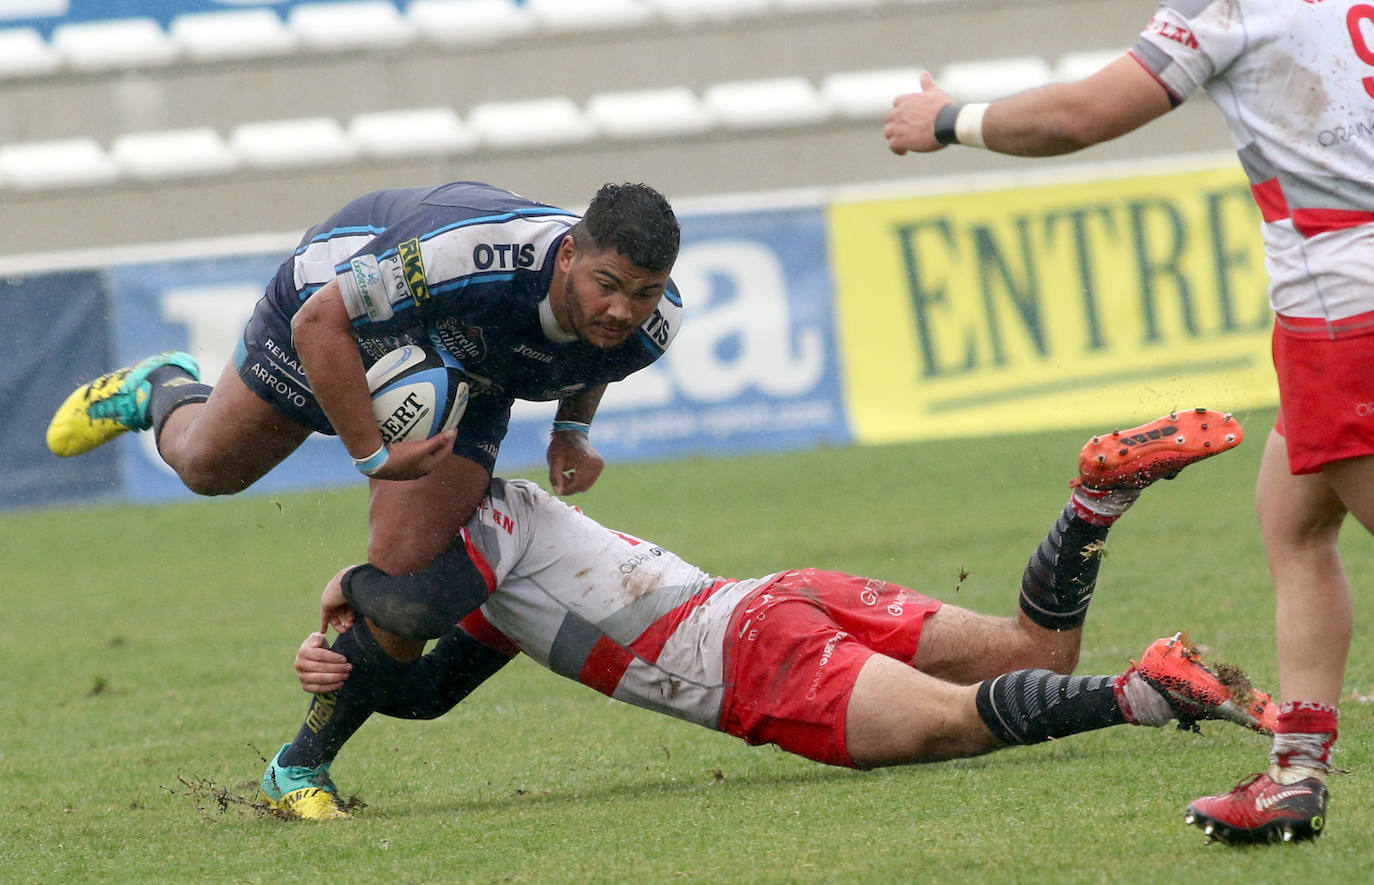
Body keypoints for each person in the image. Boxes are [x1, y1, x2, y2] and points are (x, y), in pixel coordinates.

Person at [256, 408, 1276, 823]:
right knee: (1033, 649)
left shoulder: (483, 524)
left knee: (952, 727)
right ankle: (1095, 502)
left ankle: (1145, 694)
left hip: (754, 662)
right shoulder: (501, 561)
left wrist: (350, 598)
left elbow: (409, 611)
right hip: (779, 599)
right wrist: (350, 669)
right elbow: (431, 686)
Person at [883, 2, 1372, 845]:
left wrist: (950, 119)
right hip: (1332, 306)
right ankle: (1296, 773)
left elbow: (1082, 115)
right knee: (1292, 519)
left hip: (1347, 307)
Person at [46, 180, 681, 661]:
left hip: (473, 361)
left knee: (404, 591)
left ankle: (301, 766)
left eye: (643, 293)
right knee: (209, 469)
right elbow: (321, 323)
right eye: (608, 285)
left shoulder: (654, 322)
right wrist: (373, 455)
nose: (624, 310)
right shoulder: (470, 254)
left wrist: (573, 427)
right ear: (568, 255)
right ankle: (160, 386)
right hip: (334, 301)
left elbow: (601, 348)